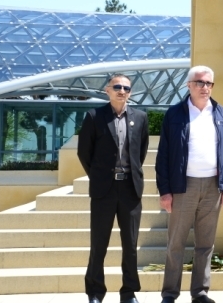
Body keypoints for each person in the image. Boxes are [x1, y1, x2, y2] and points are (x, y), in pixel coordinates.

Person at [155, 65, 223, 303]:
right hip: (183, 186)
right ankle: (170, 293)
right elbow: (164, 155)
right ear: (189, 85)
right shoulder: (175, 114)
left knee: (206, 244)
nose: (205, 88)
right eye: (200, 83)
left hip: (213, 187)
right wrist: (165, 191)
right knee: (176, 243)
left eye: (209, 83)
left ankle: (200, 292)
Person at [77, 74, 149, 303]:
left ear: (130, 92)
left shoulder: (140, 118)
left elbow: (141, 151)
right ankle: (95, 293)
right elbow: (83, 153)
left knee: (131, 245)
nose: (122, 91)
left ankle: (128, 293)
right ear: (107, 90)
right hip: (103, 191)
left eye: (126, 88)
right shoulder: (94, 116)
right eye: (117, 86)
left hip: (130, 189)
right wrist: (99, 176)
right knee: (99, 244)